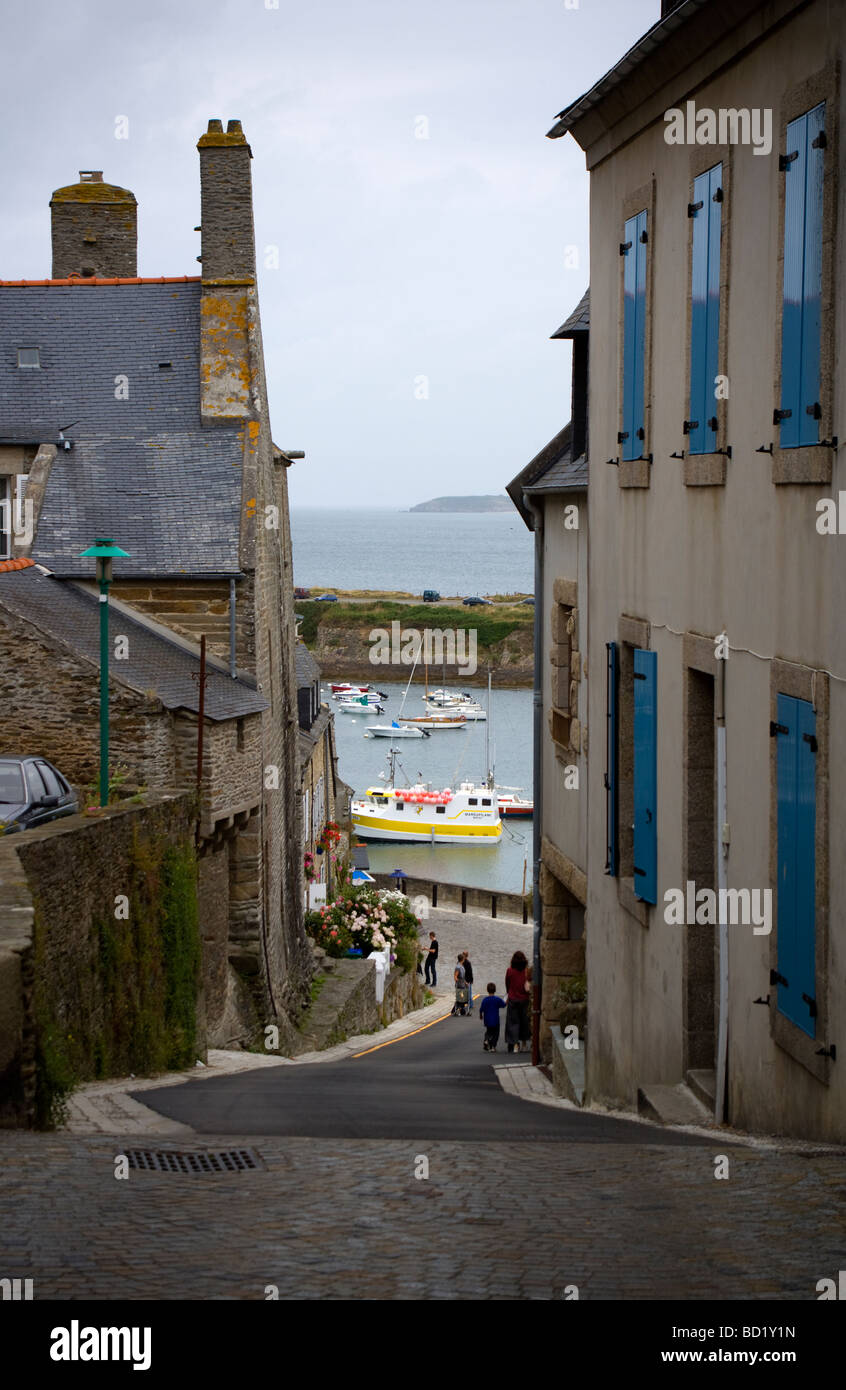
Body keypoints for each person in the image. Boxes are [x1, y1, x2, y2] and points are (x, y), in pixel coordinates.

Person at [504, 950, 532, 1053]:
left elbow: (507, 984)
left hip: (513, 999)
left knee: (513, 1023)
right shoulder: (527, 971)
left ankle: (515, 1045)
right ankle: (524, 1044)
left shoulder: (509, 971)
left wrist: (509, 993)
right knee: (525, 1022)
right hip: (525, 999)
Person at [479, 983, 506, 1052]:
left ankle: (486, 1040)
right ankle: (493, 1047)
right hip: (495, 1020)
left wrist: (481, 1015)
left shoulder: (485, 1000)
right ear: (495, 990)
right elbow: (503, 1005)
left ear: (487, 990)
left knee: (489, 1031)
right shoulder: (497, 999)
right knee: (495, 1033)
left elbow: (481, 1009)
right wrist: (507, 1000)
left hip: (487, 1019)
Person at [462, 949, 474, 1014]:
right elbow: (470, 972)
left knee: (467, 993)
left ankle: (469, 1004)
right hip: (468, 979)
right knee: (469, 993)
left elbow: (469, 972)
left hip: (466, 980)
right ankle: (470, 1004)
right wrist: (471, 979)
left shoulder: (463, 962)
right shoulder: (468, 963)